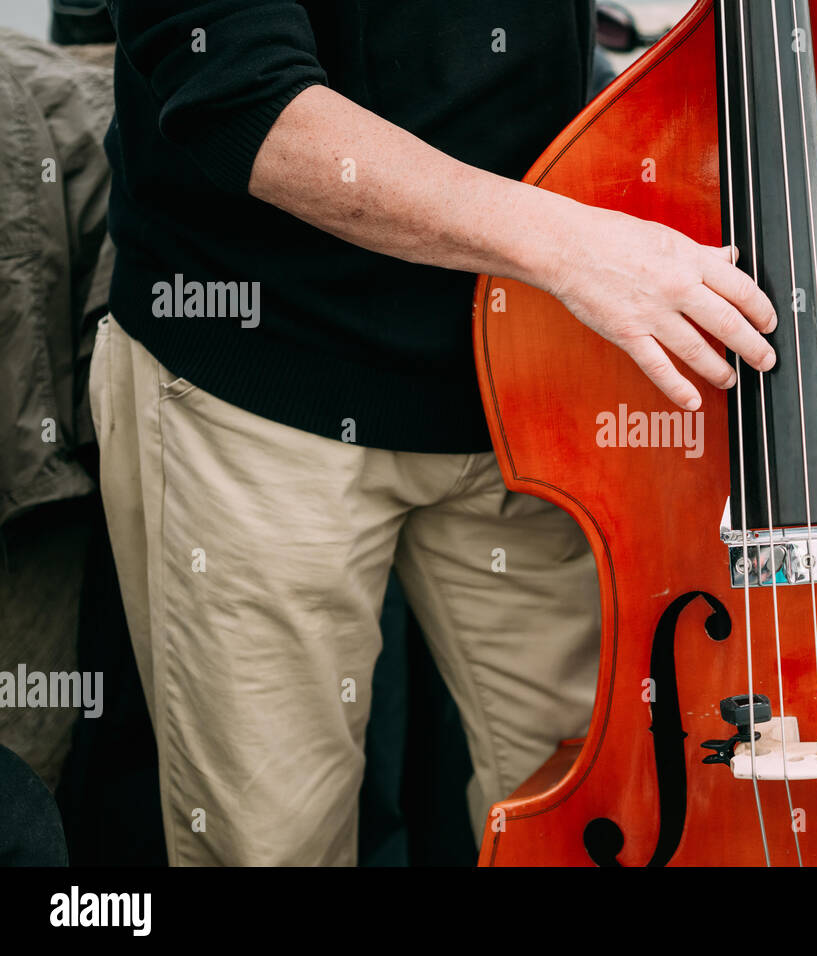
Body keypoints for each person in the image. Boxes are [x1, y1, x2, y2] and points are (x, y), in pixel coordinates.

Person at [92, 0, 778, 865]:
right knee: (273, 842)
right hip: (262, 376)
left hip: (533, 386)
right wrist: (575, 249)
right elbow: (246, 106)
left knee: (601, 817)